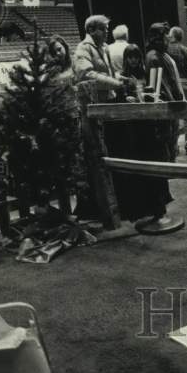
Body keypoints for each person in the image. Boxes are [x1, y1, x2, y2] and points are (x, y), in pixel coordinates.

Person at [108, 43, 176, 223]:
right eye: (130, 57)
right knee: (140, 166)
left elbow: (158, 94)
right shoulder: (120, 77)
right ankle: (146, 208)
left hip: (150, 126)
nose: (133, 60)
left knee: (155, 163)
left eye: (136, 57)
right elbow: (117, 101)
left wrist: (153, 97)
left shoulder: (147, 75)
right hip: (133, 128)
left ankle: (159, 206)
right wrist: (125, 98)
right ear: (125, 59)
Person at [72, 15, 126, 221]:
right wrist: (115, 84)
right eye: (103, 29)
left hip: (106, 107)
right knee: (98, 157)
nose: (106, 33)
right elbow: (86, 75)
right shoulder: (83, 49)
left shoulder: (102, 48)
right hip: (92, 111)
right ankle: (102, 208)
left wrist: (120, 79)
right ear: (92, 30)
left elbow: (108, 73)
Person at [144, 22, 183, 160]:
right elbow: (162, 84)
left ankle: (171, 163)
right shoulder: (154, 57)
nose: (168, 39)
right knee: (167, 137)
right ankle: (168, 165)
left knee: (172, 137)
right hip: (166, 105)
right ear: (158, 38)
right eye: (165, 35)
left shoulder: (162, 54)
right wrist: (172, 102)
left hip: (171, 103)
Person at [167, 26, 187, 155]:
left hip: (171, 84)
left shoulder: (165, 51)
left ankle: (173, 145)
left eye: (170, 34)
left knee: (172, 115)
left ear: (173, 36)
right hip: (186, 83)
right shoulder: (186, 50)